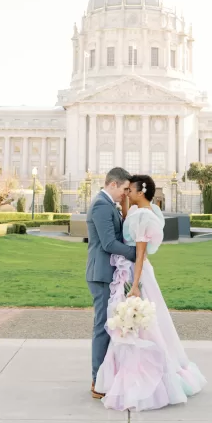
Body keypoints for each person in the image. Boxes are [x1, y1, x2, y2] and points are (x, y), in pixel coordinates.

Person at [94, 174, 206, 411]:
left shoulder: (144, 215)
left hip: (137, 273)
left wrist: (134, 285)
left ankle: (144, 374)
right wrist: (125, 204)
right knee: (133, 324)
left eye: (130, 191)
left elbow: (141, 252)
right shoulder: (140, 211)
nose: (126, 193)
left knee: (141, 325)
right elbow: (127, 224)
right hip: (129, 270)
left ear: (140, 192)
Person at [86, 166, 137, 399]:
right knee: (102, 327)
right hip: (102, 274)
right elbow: (108, 243)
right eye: (124, 189)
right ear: (112, 184)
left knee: (110, 326)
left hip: (110, 273)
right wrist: (136, 253)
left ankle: (107, 377)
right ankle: (98, 380)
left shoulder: (109, 205)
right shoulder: (101, 205)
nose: (125, 193)